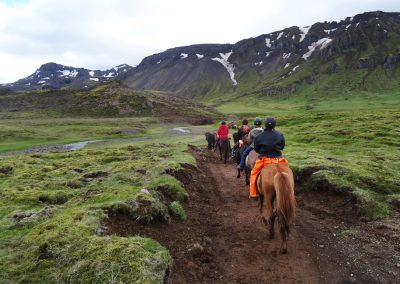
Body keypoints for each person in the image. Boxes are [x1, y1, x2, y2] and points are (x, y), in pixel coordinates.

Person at [249, 116, 289, 198]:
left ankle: (254, 193)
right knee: (288, 172)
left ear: (265, 125)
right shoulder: (280, 134)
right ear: (274, 125)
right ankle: (290, 190)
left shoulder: (259, 137)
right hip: (278, 160)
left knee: (254, 173)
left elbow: (256, 149)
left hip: (264, 160)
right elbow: (282, 147)